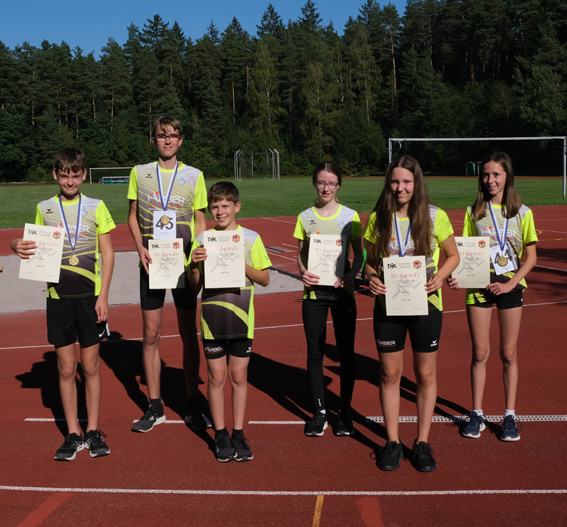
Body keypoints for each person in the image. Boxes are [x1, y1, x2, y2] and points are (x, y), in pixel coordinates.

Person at [11, 147, 115, 460]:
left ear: (84, 175)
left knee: (91, 367)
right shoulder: (45, 207)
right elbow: (33, 246)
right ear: (55, 175)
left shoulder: (96, 206)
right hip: (58, 299)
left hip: (89, 299)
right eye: (64, 174)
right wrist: (15, 244)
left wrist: (104, 295)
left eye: (75, 174)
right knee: (67, 368)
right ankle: (73, 434)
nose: (70, 179)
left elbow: (108, 254)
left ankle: (94, 430)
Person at [364, 155, 459, 472]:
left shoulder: (435, 216)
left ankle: (421, 443)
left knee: (425, 375)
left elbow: (453, 255)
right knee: (390, 375)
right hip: (388, 307)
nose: (400, 187)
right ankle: (391, 442)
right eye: (394, 181)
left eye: (406, 181)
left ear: (416, 183)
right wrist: (372, 278)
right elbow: (369, 263)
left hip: (426, 305)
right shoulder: (379, 218)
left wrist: (441, 276)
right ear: (388, 184)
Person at [127, 116, 210, 432]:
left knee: (189, 333)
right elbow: (132, 217)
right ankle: (155, 406)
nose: (168, 140)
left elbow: (200, 221)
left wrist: (197, 260)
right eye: (162, 135)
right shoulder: (140, 173)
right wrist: (139, 249)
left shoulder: (194, 176)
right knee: (150, 333)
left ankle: (191, 403)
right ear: (154, 140)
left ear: (181, 140)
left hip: (183, 264)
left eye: (173, 135)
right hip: (150, 263)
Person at [448, 151, 537, 442]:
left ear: (507, 176)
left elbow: (530, 257)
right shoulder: (474, 211)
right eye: (486, 175)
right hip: (479, 289)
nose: (490, 180)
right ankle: (477, 414)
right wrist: (456, 276)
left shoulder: (522, 212)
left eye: (496, 174)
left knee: (508, 354)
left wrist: (511, 284)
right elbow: (462, 252)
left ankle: (509, 415)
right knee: (480, 353)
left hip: (509, 288)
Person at [189, 182, 271, 462]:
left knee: (238, 376)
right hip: (212, 319)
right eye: (214, 207)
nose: (220, 211)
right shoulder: (202, 239)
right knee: (216, 377)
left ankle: (238, 432)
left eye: (225, 206)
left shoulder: (250, 238)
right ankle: (220, 433)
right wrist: (195, 266)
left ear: (236, 207)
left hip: (241, 319)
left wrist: (241, 264)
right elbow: (194, 287)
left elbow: (264, 279)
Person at [294, 161, 364, 437]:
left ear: (338, 186)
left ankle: (344, 412)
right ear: (315, 183)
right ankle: (319, 413)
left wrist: (353, 275)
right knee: (315, 353)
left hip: (342, 290)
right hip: (314, 292)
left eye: (331, 183)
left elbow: (358, 254)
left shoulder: (350, 216)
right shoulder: (305, 217)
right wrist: (302, 272)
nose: (326, 187)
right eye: (322, 182)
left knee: (346, 352)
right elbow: (300, 254)